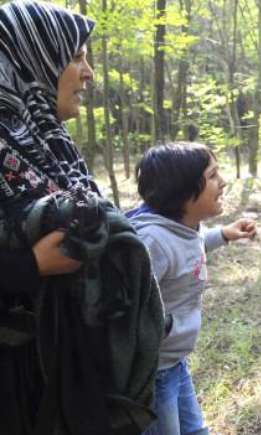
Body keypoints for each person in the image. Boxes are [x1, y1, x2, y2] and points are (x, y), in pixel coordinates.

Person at [0, 2, 164, 434]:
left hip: (66, 376)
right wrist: (29, 267)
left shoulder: (50, 144)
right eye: (75, 57)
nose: (89, 72)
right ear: (28, 60)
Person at [129, 142, 256, 435]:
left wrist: (223, 235)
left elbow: (187, 251)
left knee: (196, 431)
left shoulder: (182, 226)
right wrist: (168, 327)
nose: (223, 182)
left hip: (174, 363)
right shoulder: (152, 242)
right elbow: (129, 305)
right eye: (213, 176)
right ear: (183, 191)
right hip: (152, 375)